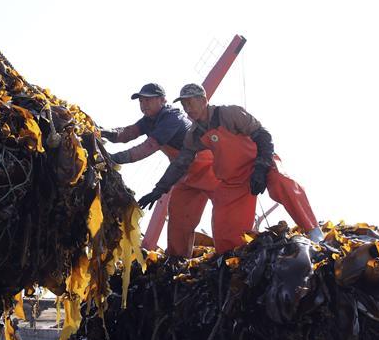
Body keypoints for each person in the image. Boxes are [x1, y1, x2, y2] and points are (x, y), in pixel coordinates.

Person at [138, 83, 322, 253]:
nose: (187, 108)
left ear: (203, 100)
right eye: (184, 104)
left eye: (190, 102)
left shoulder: (229, 114)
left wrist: (261, 166)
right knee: (223, 227)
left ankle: (314, 231)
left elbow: (263, 135)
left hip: (260, 162)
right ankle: (234, 261)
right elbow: (180, 164)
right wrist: (159, 190)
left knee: (283, 183)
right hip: (235, 180)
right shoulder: (194, 134)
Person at [102, 83, 220, 257]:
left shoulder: (172, 119)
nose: (144, 104)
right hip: (183, 173)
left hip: (210, 169)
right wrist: (101, 132)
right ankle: (177, 263)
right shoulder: (149, 120)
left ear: (163, 100)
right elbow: (126, 134)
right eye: (141, 101)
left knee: (225, 215)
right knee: (179, 220)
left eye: (148, 100)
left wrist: (111, 159)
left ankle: (231, 256)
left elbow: (147, 147)